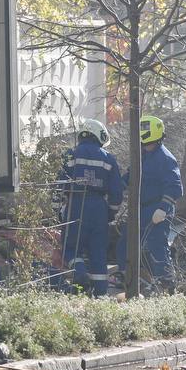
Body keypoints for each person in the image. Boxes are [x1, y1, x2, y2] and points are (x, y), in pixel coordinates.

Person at [54, 119, 122, 297]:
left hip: (76, 205)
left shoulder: (71, 155)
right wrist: (110, 213)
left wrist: (56, 210)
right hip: (99, 208)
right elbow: (116, 192)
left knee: (70, 248)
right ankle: (100, 295)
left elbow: (59, 185)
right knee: (98, 251)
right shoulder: (108, 159)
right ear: (99, 135)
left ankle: (80, 272)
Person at [116, 115, 183, 294]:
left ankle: (167, 283)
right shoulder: (142, 155)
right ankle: (127, 275)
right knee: (126, 241)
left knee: (157, 245)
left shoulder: (165, 158)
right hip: (140, 209)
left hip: (157, 208)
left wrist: (163, 208)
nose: (147, 146)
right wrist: (116, 186)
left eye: (149, 143)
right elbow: (131, 176)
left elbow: (175, 186)